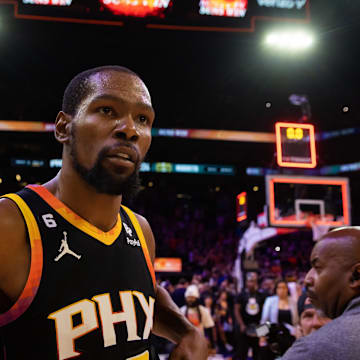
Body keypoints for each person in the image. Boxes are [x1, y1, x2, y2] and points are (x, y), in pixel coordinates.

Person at [0, 66, 208, 359]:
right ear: (63, 128)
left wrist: (187, 332)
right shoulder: (11, 224)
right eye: (108, 110)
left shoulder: (140, 230)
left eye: (142, 119)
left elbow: (139, 296)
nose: (129, 129)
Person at [282, 227, 360, 359]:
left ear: (357, 276)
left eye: (317, 268)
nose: (307, 279)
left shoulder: (313, 349)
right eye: (308, 316)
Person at [234, 272, 266, 360]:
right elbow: (236, 310)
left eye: (254, 281)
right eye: (250, 281)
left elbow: (265, 313)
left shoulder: (262, 295)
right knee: (242, 352)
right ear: (246, 282)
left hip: (258, 328)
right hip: (244, 327)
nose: (252, 283)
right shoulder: (241, 295)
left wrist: (263, 329)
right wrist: (241, 324)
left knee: (257, 353)